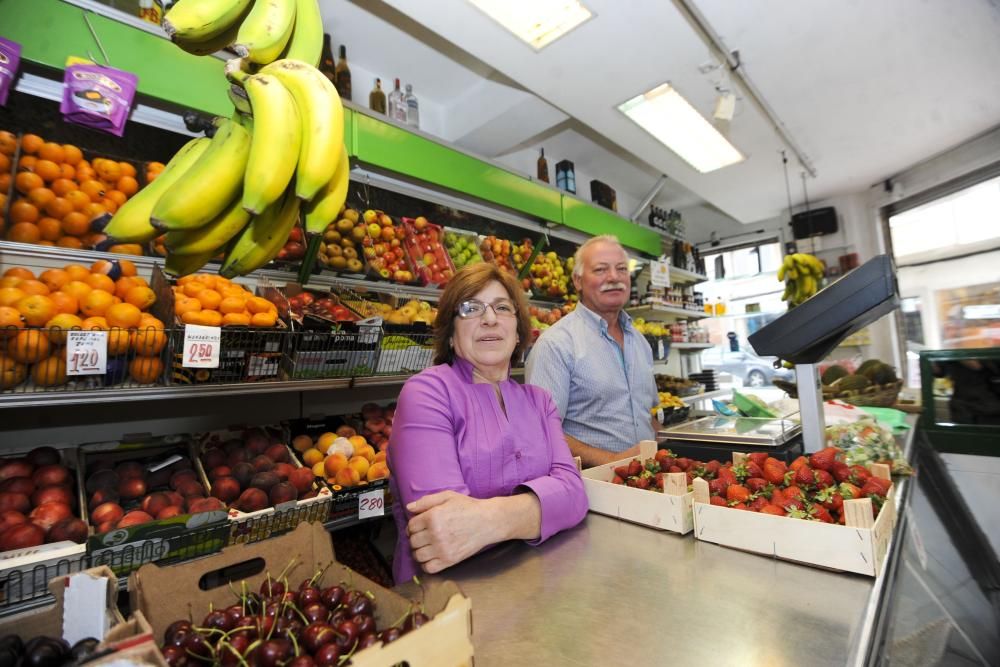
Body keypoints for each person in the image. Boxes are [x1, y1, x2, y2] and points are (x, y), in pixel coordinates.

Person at [387, 262, 588, 582]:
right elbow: (443, 532)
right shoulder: (427, 393)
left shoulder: (540, 401)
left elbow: (576, 496)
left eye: (502, 307)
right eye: (471, 308)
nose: (490, 318)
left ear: (519, 331)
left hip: (536, 585)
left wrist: (488, 519)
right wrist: (544, 508)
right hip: (446, 601)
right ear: (451, 334)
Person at [526, 235, 659, 467]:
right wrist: (613, 461)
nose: (614, 277)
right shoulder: (557, 344)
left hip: (646, 479)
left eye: (621, 269)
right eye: (600, 270)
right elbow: (540, 431)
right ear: (577, 280)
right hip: (591, 489)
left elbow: (647, 414)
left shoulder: (640, 342)